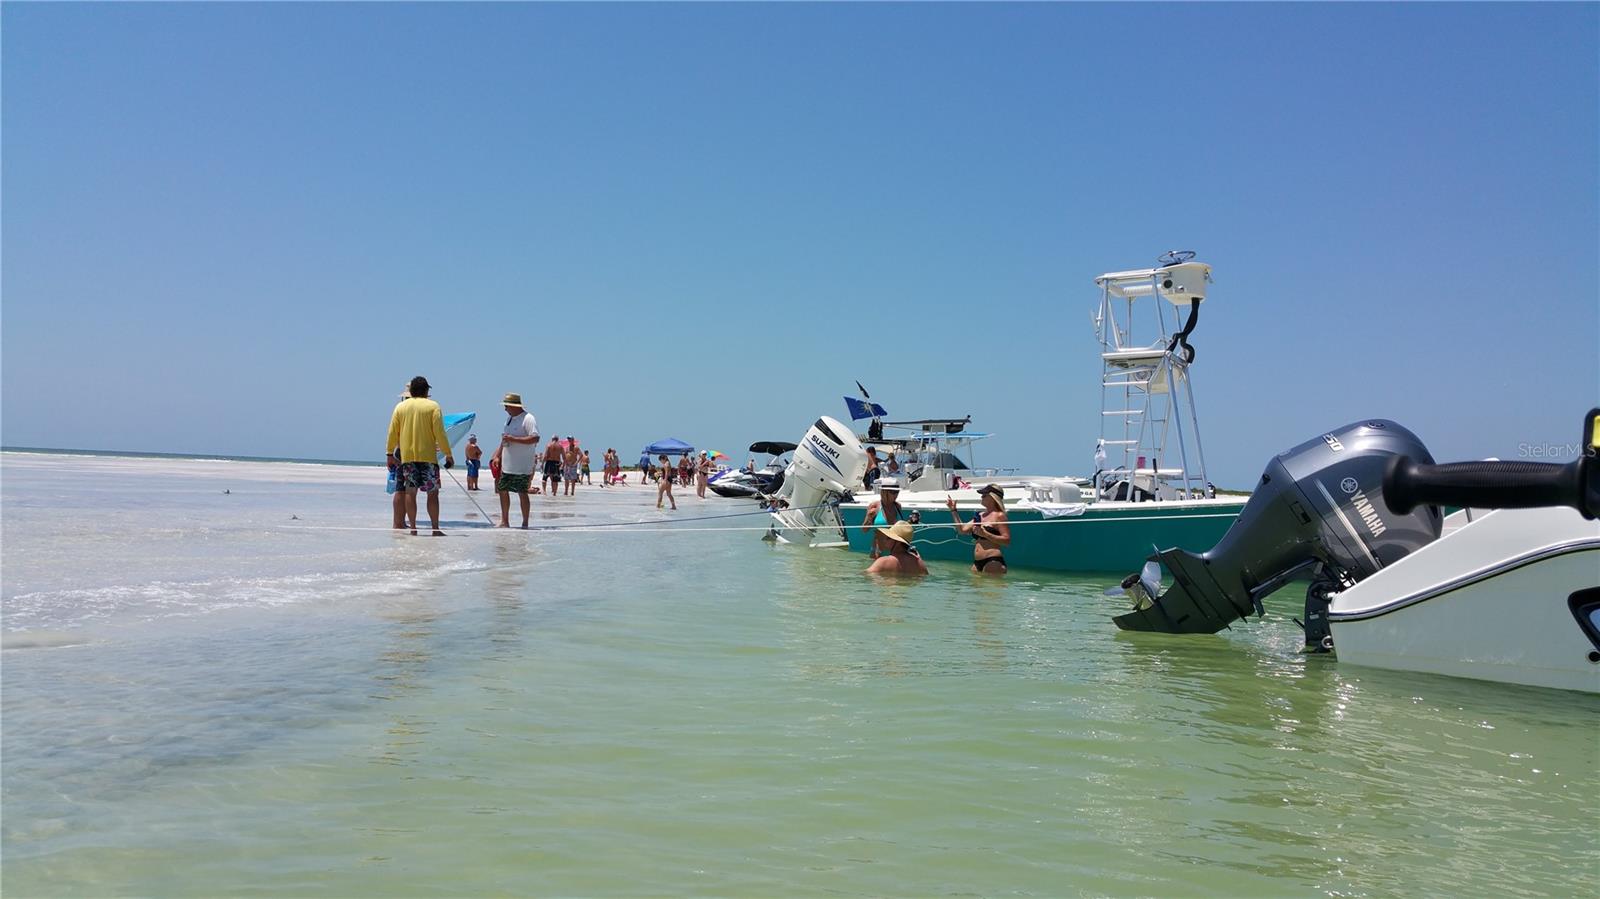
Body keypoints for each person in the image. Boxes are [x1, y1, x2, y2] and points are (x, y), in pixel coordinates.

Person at [384, 375, 455, 535]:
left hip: (407, 458)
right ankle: (435, 528)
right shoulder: (433, 406)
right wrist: (448, 453)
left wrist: (389, 453)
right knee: (432, 493)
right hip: (428, 457)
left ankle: (414, 528)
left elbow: (392, 433)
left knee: (410, 492)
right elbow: (440, 433)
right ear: (425, 390)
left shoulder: (400, 407)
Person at [493, 392, 539, 528]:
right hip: (508, 464)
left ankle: (525, 522)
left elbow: (535, 438)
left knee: (522, 492)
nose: (505, 408)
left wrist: (514, 439)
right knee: (502, 489)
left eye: (506, 406)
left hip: (522, 465)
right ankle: (505, 520)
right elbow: (504, 439)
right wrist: (497, 455)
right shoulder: (509, 419)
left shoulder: (528, 418)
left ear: (514, 406)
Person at [946, 483, 1011, 575]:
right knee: (976, 589)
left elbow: (1006, 541)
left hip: (993, 562)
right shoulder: (980, 516)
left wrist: (986, 534)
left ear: (993, 497)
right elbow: (962, 530)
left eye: (984, 495)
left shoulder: (999, 516)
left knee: (991, 589)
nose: (981, 497)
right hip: (977, 563)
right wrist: (953, 510)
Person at [859, 477, 905, 559]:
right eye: (893, 492)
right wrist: (869, 518)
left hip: (895, 552)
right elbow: (864, 530)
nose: (896, 495)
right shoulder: (874, 506)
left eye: (897, 492)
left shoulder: (898, 506)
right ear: (884, 492)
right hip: (878, 552)